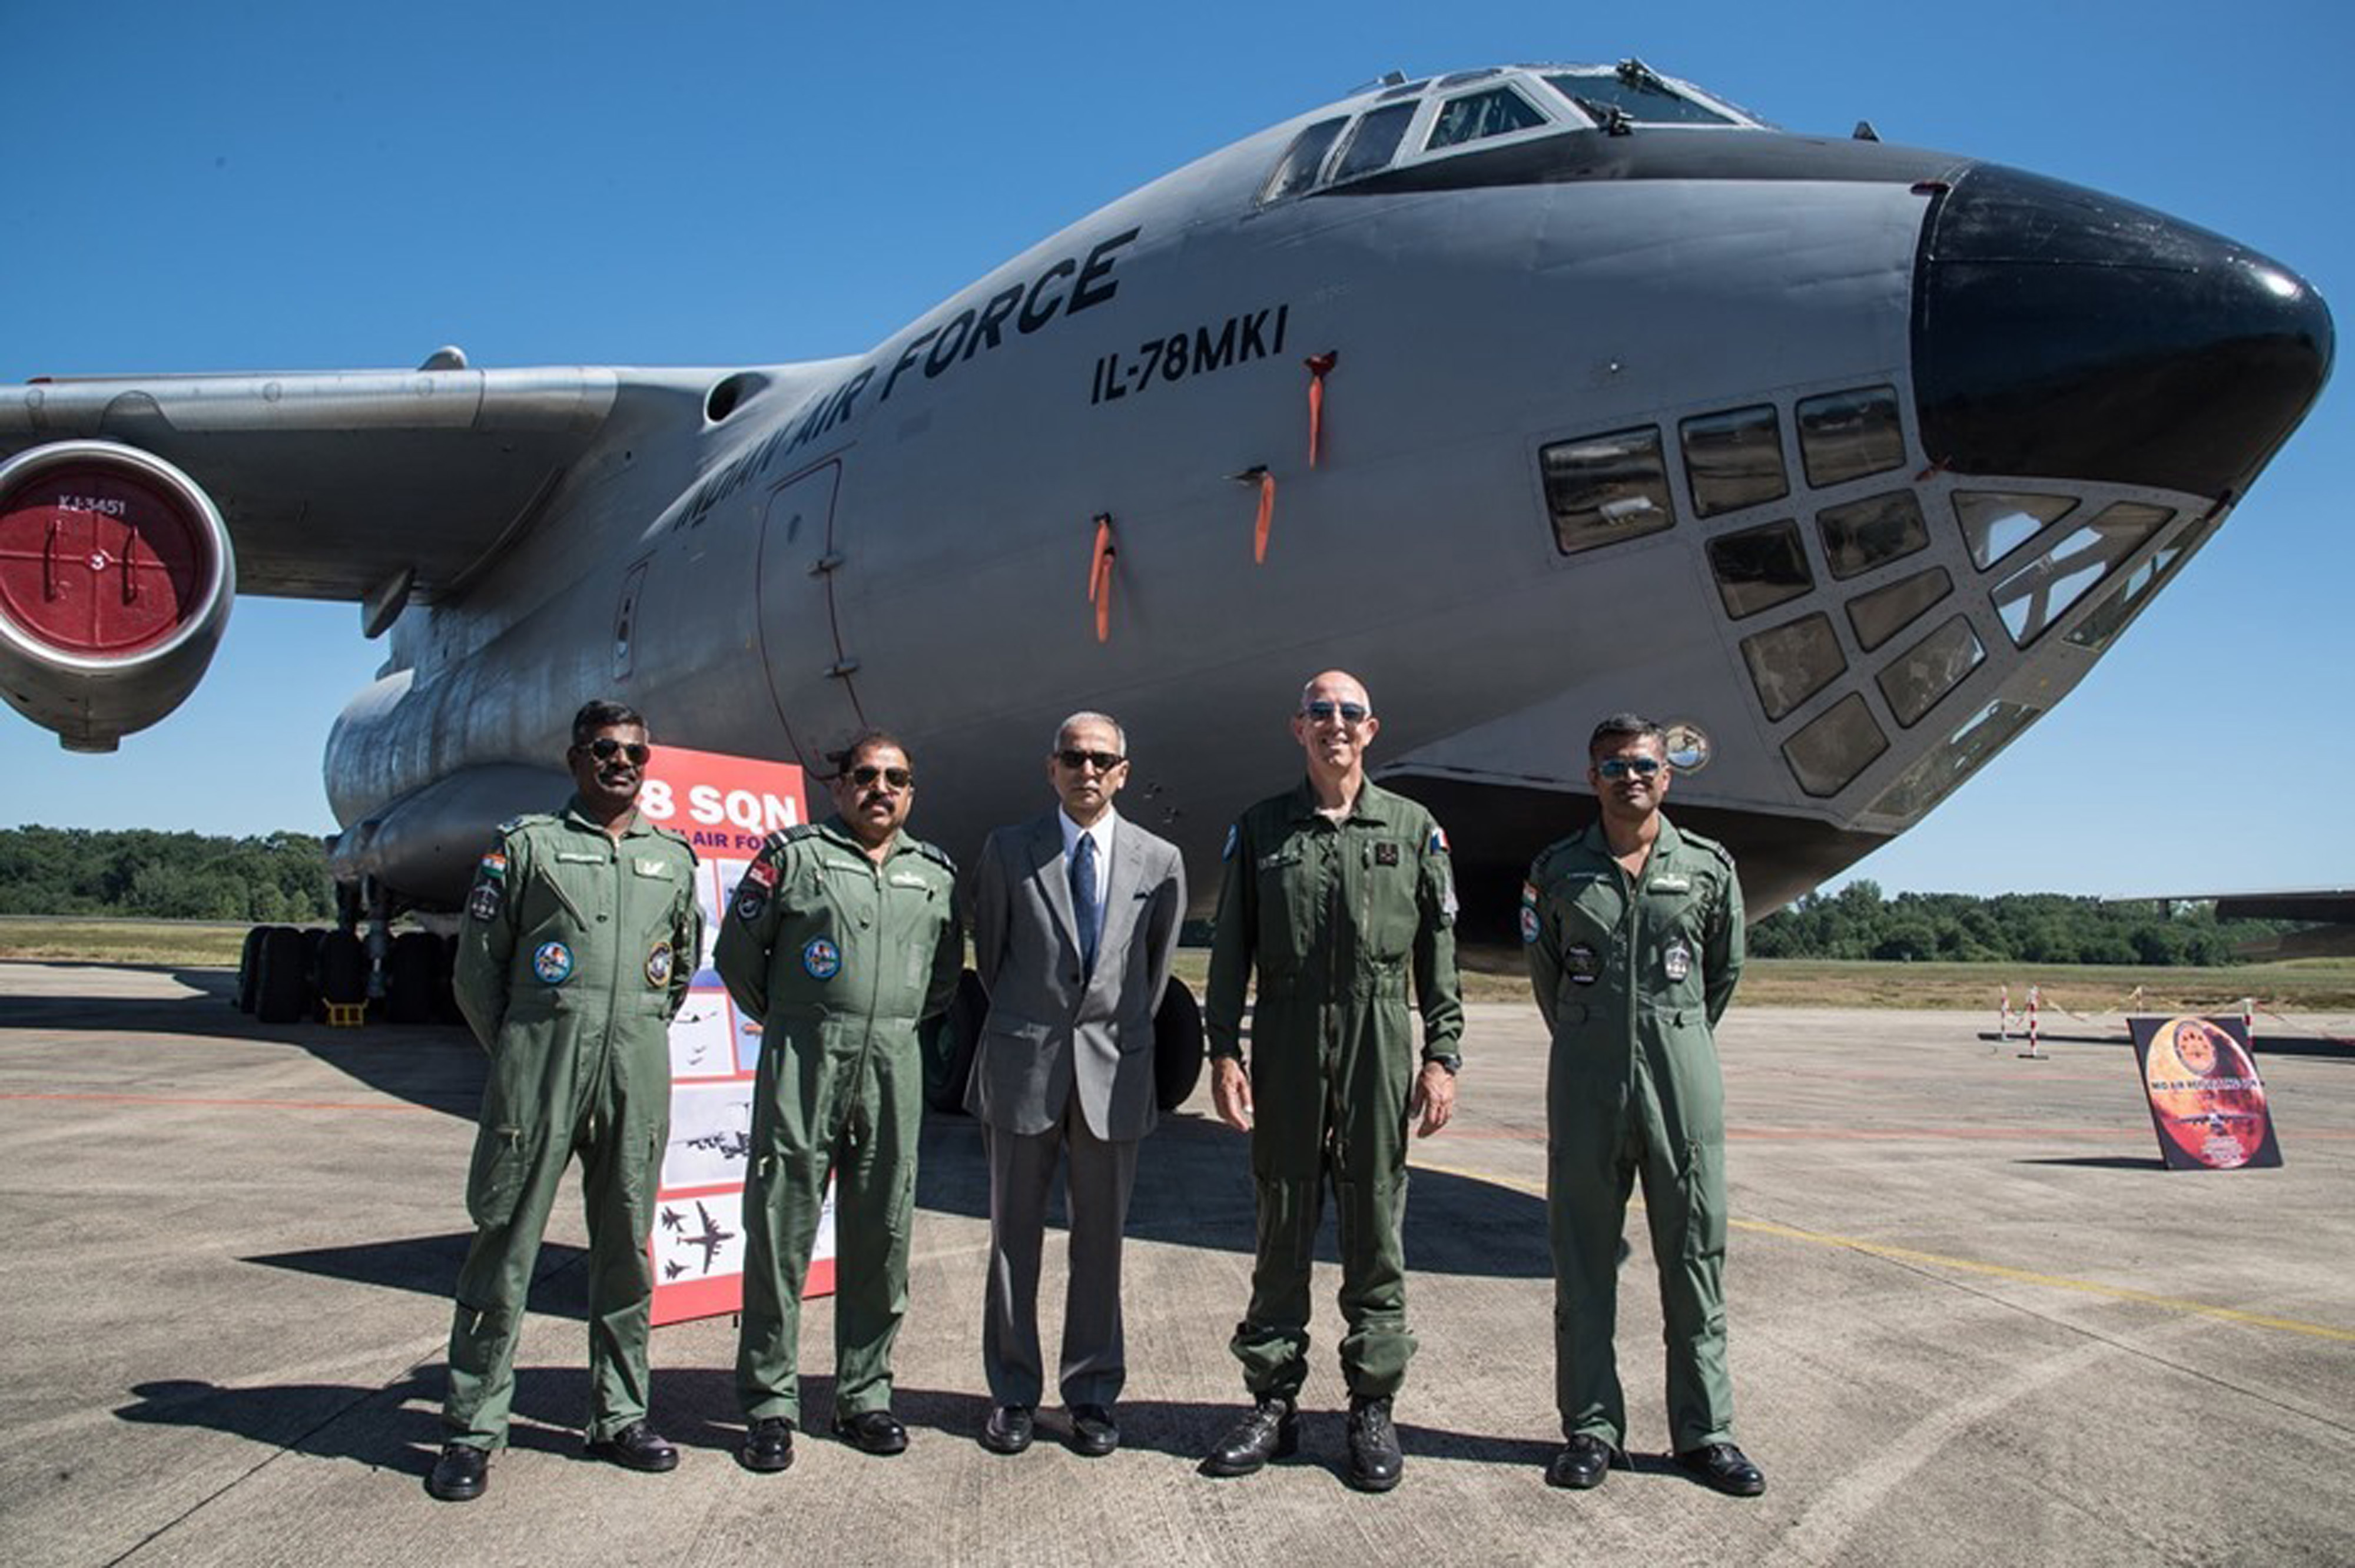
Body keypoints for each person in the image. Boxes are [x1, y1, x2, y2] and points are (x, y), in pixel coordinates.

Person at [428, 700, 703, 1503]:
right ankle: (472, 1425)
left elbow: (677, 970)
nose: (622, 762)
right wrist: (525, 1050)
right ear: (576, 758)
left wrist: (622, 1033)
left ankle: (619, 1413)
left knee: (626, 1246)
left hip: (634, 1070)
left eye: (634, 751)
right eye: (605, 750)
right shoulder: (528, 847)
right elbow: (478, 975)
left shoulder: (673, 858)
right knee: (505, 1242)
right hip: (540, 1070)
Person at [1199, 671, 1463, 1493]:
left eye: (1349, 712)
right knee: (1282, 1215)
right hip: (1282, 1032)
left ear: (1372, 728)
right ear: (1297, 728)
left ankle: (1371, 1404)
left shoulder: (1414, 829)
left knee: (1376, 1221)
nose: (1335, 725)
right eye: (1320, 712)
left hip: (1380, 1035)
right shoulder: (1262, 829)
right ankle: (1272, 1400)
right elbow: (1230, 952)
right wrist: (1223, 1051)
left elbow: (1438, 959)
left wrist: (1441, 1054)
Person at [1522, 713, 1763, 1497]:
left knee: (1695, 1258)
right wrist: (1604, 1035)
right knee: (1583, 1261)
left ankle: (1706, 1431)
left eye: (1645, 764)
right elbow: (1550, 978)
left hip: (1680, 1073)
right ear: (1591, 776)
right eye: (1615, 764)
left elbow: (1720, 972)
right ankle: (1591, 1427)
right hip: (1588, 1079)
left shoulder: (1708, 867)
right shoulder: (1557, 870)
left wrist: (1668, 1030)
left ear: (1668, 775)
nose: (1632, 775)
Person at [718, 730, 964, 1474]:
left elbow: (944, 977)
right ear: (838, 786)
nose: (879, 788)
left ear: (911, 790)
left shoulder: (935, 872)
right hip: (804, 1060)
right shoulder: (792, 858)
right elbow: (738, 955)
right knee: (780, 1231)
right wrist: (802, 1016)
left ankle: (864, 1393)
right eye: (865, 775)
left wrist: (883, 1024)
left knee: (882, 1234)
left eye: (895, 777)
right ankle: (768, 1403)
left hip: (893, 1064)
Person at [966, 712, 1188, 1458]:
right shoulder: (1008, 851)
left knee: (1101, 1243)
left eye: (1101, 759)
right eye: (1073, 757)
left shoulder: (1160, 861)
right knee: (1012, 1241)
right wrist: (1040, 1025)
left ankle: (1091, 1393)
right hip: (1024, 1066)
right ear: (1050, 768)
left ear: (1123, 770)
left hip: (1112, 1073)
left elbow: (1151, 978)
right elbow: (993, 960)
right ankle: (1014, 1392)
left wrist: (1105, 1035)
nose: (1086, 770)